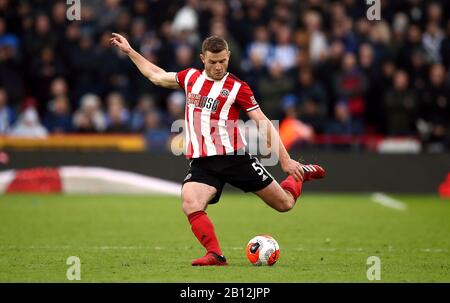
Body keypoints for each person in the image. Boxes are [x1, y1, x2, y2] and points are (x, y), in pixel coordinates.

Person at [110, 33, 326, 266]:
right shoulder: (190, 78)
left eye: (223, 61)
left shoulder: (237, 88)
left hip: (234, 158)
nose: (218, 67)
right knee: (190, 201)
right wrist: (130, 51)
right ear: (202, 58)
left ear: (228, 56)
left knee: (284, 204)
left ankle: (299, 175)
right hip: (203, 162)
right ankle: (215, 255)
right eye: (212, 62)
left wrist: (285, 160)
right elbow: (157, 76)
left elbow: (262, 122)